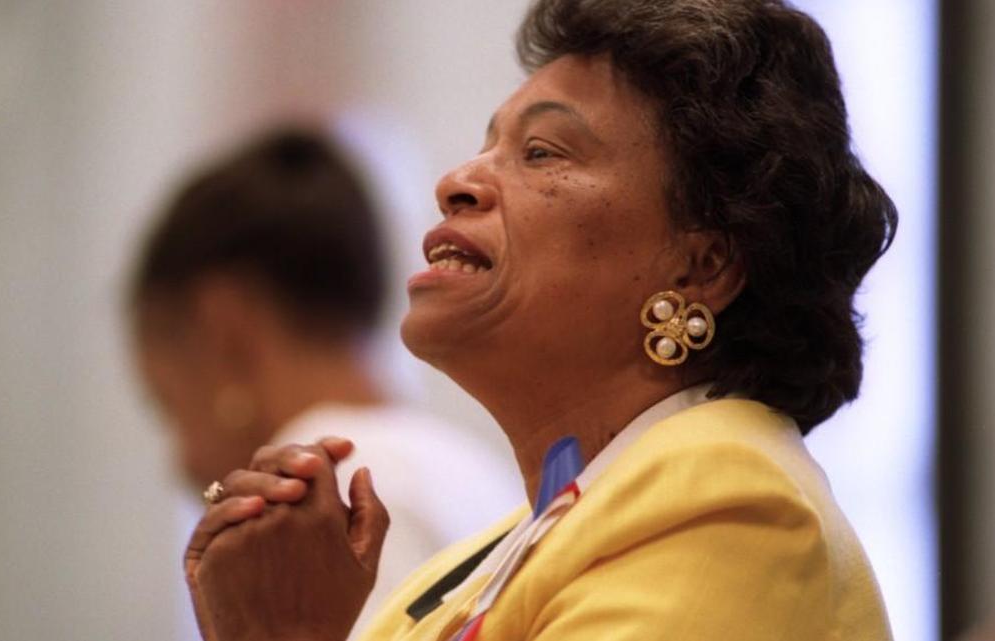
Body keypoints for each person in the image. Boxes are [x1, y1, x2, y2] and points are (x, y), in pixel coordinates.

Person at [181, 1, 899, 639]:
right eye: (487, 144)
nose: (457, 181)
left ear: (702, 266)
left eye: (540, 153)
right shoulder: (472, 568)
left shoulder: (728, 504)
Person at [128, 128, 523, 639]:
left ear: (225, 329)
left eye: (168, 407)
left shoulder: (328, 506)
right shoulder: (456, 463)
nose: (178, 463)